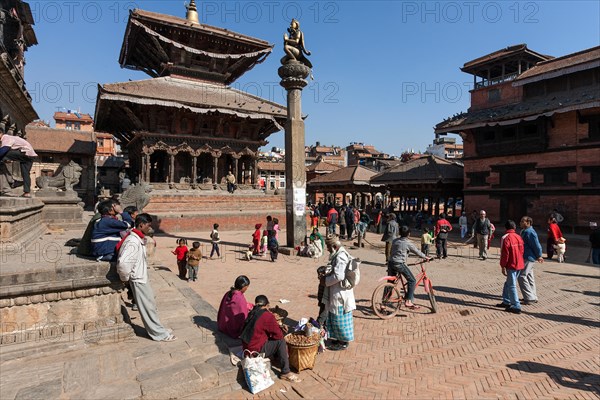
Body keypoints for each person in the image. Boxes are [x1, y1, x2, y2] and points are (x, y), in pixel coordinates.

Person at [117, 213, 176, 341]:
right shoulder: (132, 241)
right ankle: (158, 334)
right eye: (148, 225)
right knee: (147, 307)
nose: (150, 228)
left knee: (151, 304)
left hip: (141, 277)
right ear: (141, 225)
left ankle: (158, 329)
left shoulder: (138, 239)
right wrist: (125, 278)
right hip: (138, 279)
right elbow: (123, 263)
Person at [240, 295, 301, 382]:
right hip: (255, 351)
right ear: (267, 305)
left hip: (246, 348)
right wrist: (281, 329)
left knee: (272, 337)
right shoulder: (267, 316)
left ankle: (277, 358)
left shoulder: (252, 312)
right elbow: (278, 335)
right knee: (281, 341)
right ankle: (285, 372)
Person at [323, 235, 356, 351]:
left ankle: (343, 342)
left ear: (334, 247)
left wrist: (326, 281)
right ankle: (337, 338)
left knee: (340, 317)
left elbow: (339, 275)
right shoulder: (337, 254)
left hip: (341, 292)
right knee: (335, 316)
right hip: (337, 290)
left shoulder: (341, 256)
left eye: (328, 247)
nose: (327, 249)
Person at [388, 225, 431, 309]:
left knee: (390, 283)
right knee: (412, 280)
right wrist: (425, 257)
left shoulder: (395, 240)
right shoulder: (407, 242)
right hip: (399, 264)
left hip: (391, 263)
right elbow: (416, 251)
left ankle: (384, 301)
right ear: (409, 234)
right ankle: (408, 301)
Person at [496, 220, 525, 314]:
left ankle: (516, 305)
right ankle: (506, 300)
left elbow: (504, 254)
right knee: (508, 283)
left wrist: (503, 266)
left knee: (511, 285)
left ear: (505, 228)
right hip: (519, 263)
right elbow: (522, 251)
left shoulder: (505, 237)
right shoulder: (518, 237)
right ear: (514, 228)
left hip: (511, 264)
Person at [0, 128, 37, 197]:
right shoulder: (11, 138)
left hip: (25, 153)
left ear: (0, 133)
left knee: (3, 155)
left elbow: (4, 150)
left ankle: (11, 181)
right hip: (31, 155)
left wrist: (4, 158)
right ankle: (27, 192)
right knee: (25, 173)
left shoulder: (6, 138)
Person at [518, 216, 543, 305]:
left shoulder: (530, 232)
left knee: (522, 275)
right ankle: (533, 295)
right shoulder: (524, 231)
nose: (520, 223)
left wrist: (539, 255)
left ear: (528, 222)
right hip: (526, 256)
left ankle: (529, 297)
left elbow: (536, 244)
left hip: (529, 257)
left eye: (522, 221)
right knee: (529, 276)